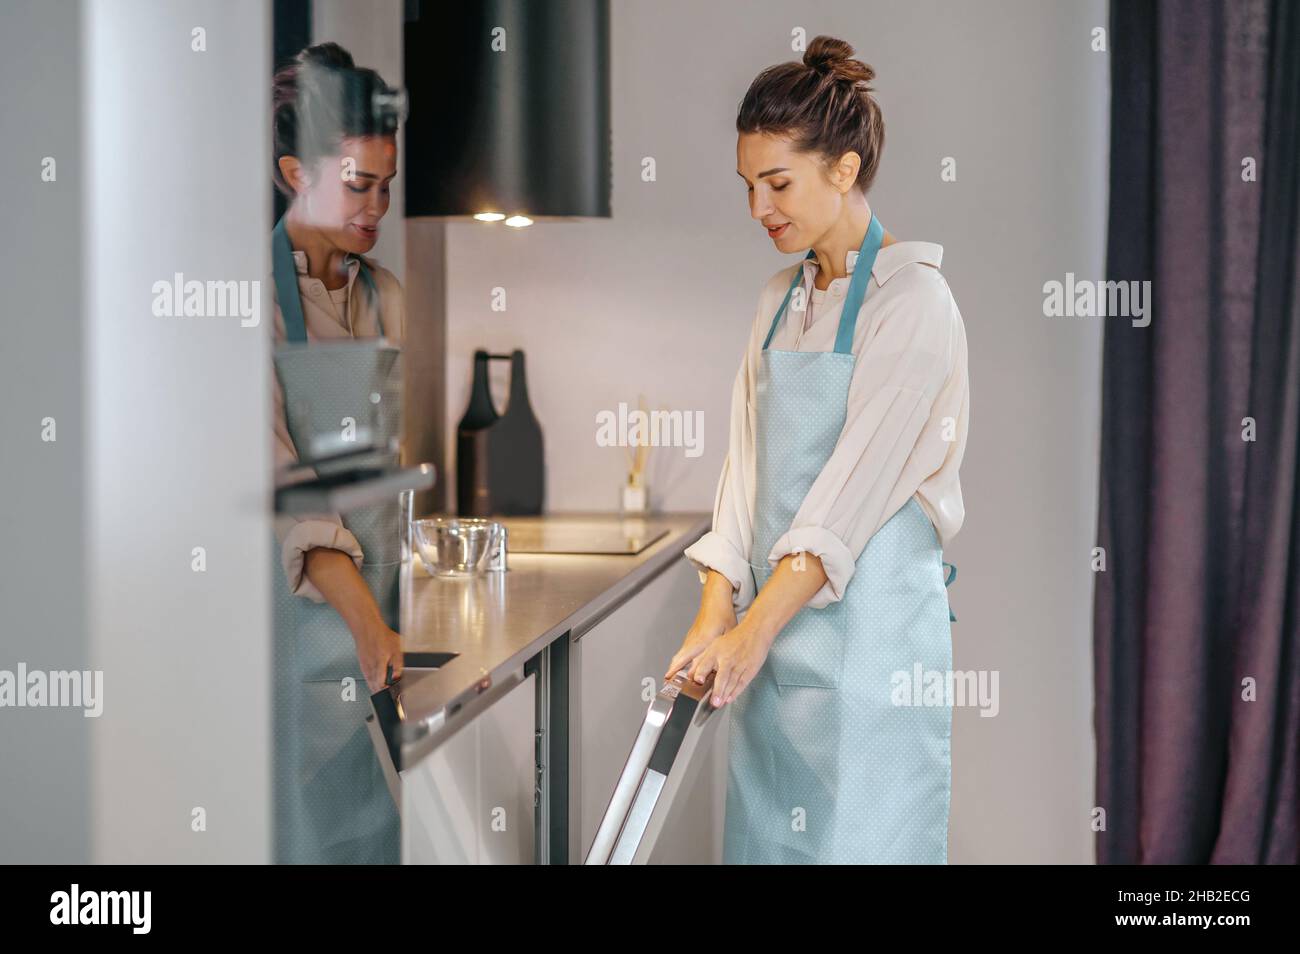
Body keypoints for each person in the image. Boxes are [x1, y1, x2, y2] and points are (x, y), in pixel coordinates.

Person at [667, 35, 970, 864]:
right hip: (771, 642)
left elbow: (848, 495)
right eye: (749, 187)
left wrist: (753, 630)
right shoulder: (777, 301)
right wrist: (714, 611)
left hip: (870, 644)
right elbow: (746, 470)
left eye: (778, 182)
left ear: (842, 170)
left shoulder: (913, 301)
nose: (760, 208)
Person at [269, 42, 406, 864]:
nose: (376, 206)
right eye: (359, 184)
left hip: (376, 628)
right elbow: (288, 497)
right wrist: (369, 624)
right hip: (295, 637)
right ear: (296, 172)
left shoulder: (382, 296)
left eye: (385, 186)